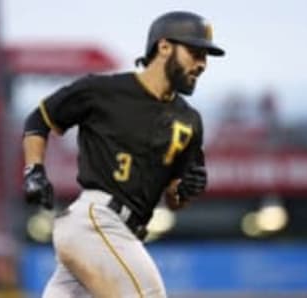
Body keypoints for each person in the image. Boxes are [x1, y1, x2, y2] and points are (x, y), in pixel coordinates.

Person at [22, 11, 225, 298]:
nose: (202, 64)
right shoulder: (104, 90)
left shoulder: (189, 121)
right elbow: (38, 120)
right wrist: (34, 170)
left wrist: (185, 191)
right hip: (95, 221)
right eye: (195, 52)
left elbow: (174, 198)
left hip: (119, 234)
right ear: (164, 46)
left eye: (206, 57)